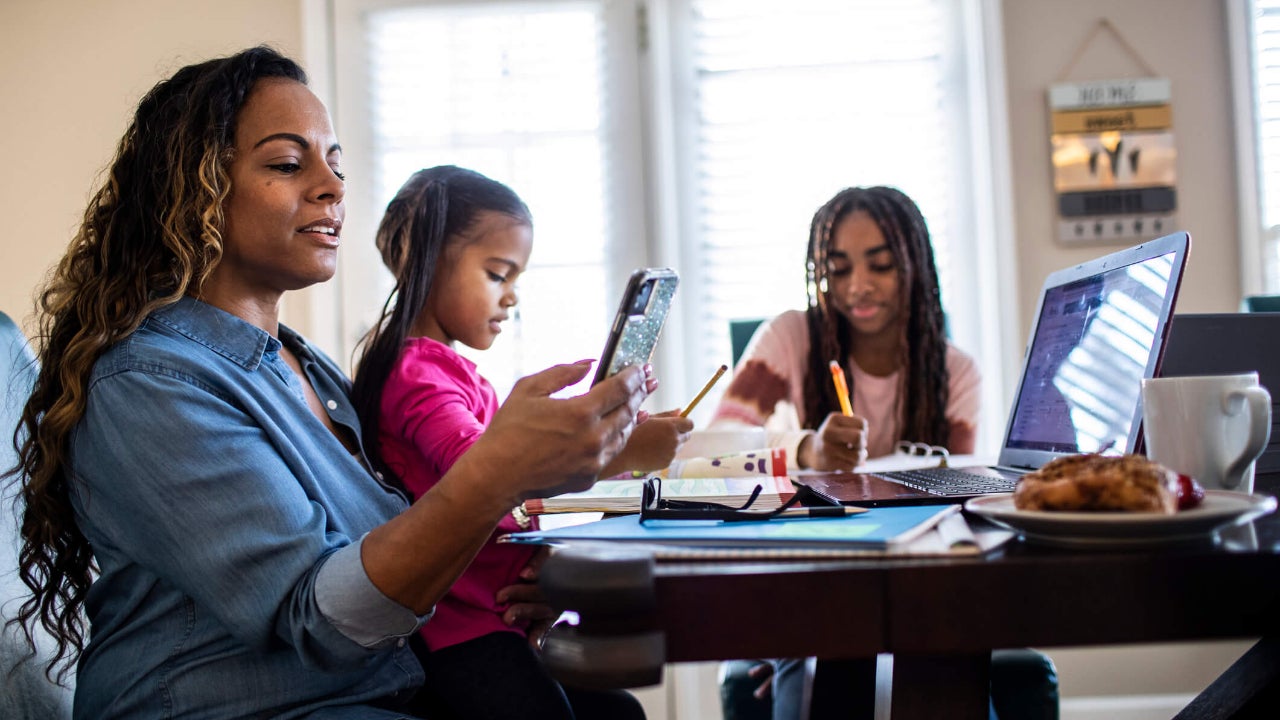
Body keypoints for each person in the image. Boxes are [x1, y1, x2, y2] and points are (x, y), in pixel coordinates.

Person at [5, 46, 653, 720]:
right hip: (242, 711)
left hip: (370, 690)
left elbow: (394, 555)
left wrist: (520, 587)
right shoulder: (150, 382)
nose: (333, 188)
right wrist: (496, 473)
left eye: (336, 165)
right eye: (289, 164)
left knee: (616, 713)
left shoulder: (309, 368)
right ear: (197, 189)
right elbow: (323, 620)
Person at [350, 165, 691, 719]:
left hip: (493, 617)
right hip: (456, 632)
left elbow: (510, 462)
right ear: (428, 260)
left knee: (620, 712)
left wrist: (611, 430)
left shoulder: (455, 374)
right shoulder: (415, 373)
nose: (511, 298)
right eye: (497, 274)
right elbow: (487, 468)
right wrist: (621, 452)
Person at [710, 186, 1056, 720]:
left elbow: (956, 517)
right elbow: (708, 452)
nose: (858, 287)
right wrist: (808, 448)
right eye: (838, 268)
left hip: (919, 595)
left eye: (881, 265)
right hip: (808, 586)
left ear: (914, 265)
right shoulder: (789, 339)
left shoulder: (954, 372)